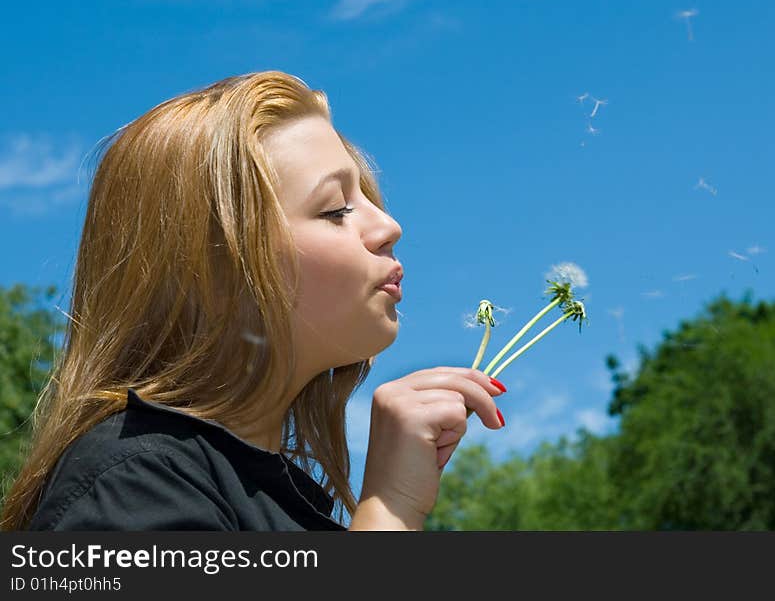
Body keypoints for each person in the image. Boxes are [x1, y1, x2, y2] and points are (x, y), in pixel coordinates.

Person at [0, 71, 506, 532]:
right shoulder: (135, 485)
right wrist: (390, 509)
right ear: (216, 272)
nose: (389, 227)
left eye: (370, 200)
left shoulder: (263, 500)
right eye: (336, 209)